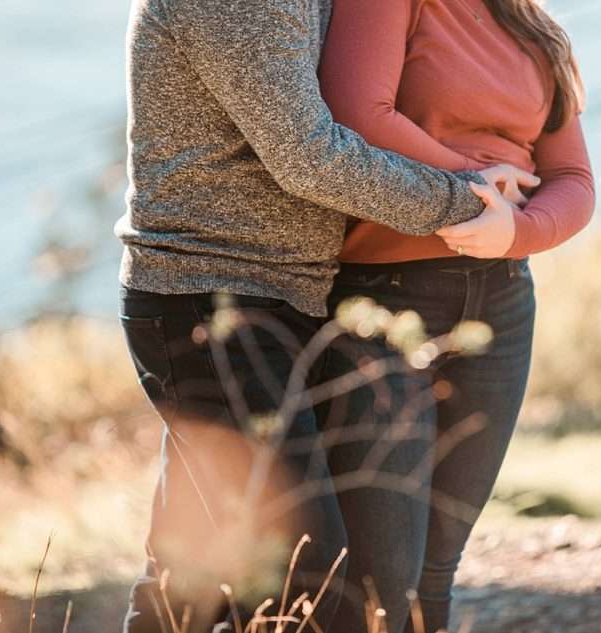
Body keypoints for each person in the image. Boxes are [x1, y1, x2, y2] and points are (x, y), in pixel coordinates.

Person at [113, 0, 536, 631]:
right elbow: (306, 155)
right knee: (309, 584)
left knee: (187, 584)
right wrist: (463, 199)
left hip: (283, 298)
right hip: (209, 301)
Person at [315, 1, 596, 631]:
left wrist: (516, 233)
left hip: (502, 300)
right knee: (383, 573)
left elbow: (573, 178)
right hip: (387, 295)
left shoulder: (533, 25)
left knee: (437, 568)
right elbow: (359, 115)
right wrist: (476, 181)